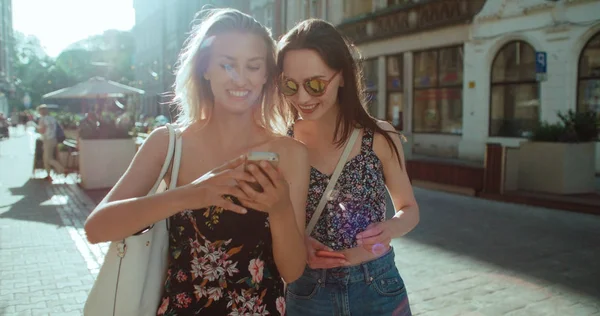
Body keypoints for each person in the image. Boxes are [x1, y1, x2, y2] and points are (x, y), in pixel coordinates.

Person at [84, 8, 309, 315]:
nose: (240, 78)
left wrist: (281, 209)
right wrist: (193, 193)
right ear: (205, 69)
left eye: (253, 66)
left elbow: (293, 271)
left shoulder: (292, 153)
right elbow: (96, 228)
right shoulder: (168, 143)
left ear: (267, 73)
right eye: (227, 64)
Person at [277, 19, 420, 315]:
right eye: (290, 85)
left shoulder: (379, 136)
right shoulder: (280, 143)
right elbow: (269, 220)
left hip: (378, 286)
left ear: (342, 76)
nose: (302, 98)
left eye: (316, 84)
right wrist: (298, 242)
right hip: (307, 290)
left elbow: (410, 209)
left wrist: (389, 227)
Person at [36, 104, 64, 180]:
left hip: (47, 140)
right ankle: (48, 174)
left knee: (48, 158)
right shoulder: (52, 118)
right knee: (46, 157)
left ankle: (60, 168)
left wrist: (37, 128)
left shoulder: (42, 119)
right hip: (54, 139)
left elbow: (42, 130)